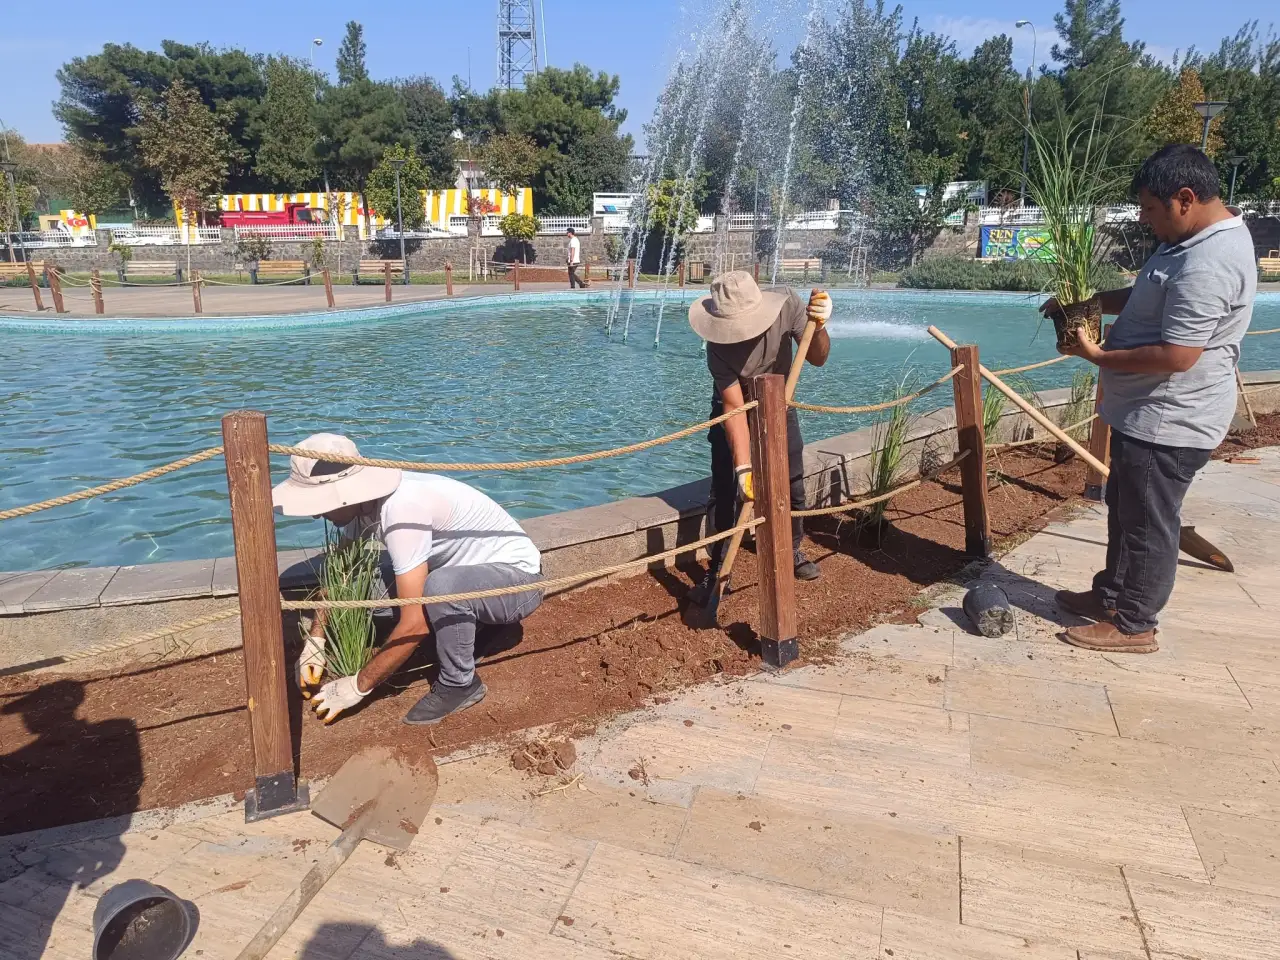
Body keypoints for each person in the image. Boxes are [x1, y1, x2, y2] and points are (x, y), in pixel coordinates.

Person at [1050, 144, 1257, 653]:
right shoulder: (1186, 239)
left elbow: (1177, 355)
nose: (1145, 220)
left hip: (1170, 420)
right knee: (1125, 508)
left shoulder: (1210, 261)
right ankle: (1113, 596)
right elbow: (1148, 293)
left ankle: (1135, 624)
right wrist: (1091, 303)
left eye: (1149, 209)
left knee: (1148, 524)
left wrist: (1098, 356)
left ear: (1184, 198)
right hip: (1145, 413)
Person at [272, 433, 544, 724]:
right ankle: (476, 629)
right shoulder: (361, 508)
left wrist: (358, 685)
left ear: (345, 493)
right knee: (367, 584)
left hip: (518, 582)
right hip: (469, 579)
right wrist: (316, 639)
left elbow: (414, 623)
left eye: (321, 505)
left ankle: (459, 684)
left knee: (441, 589)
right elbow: (342, 575)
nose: (317, 516)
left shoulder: (402, 510)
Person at [686, 270, 832, 604]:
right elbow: (734, 407)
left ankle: (791, 550)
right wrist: (743, 469)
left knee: (791, 481)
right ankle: (720, 567)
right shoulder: (716, 346)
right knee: (725, 490)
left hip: (779, 404)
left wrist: (820, 326)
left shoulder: (789, 305)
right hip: (731, 408)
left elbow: (819, 358)